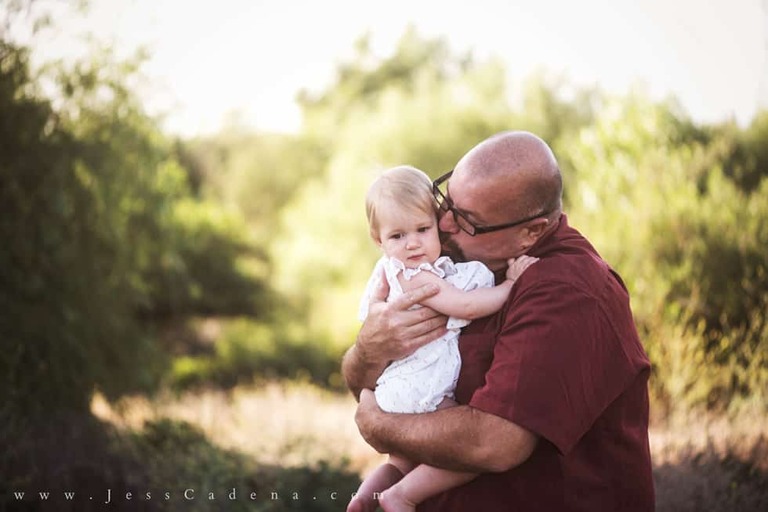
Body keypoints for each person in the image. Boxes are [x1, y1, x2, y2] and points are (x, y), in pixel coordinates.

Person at [342, 131, 655, 511]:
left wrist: (379, 425)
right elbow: (364, 380)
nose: (444, 225)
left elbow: (494, 443)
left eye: (467, 221)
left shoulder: (566, 292)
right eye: (447, 203)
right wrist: (368, 350)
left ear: (531, 232)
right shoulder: (451, 257)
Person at [347, 165, 537, 512]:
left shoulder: (388, 272)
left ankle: (364, 498)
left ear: (438, 225)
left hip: (396, 385)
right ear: (379, 240)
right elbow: (464, 304)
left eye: (422, 229)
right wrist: (511, 286)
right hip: (422, 386)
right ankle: (403, 496)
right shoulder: (418, 276)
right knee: (465, 450)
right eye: (398, 236)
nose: (413, 243)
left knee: (400, 462)